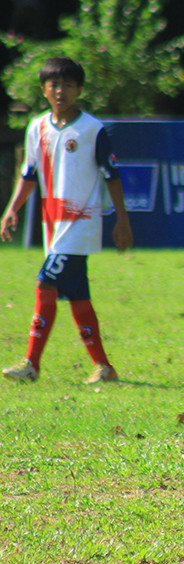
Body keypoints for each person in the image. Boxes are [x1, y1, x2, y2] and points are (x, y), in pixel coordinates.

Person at [1, 57, 133, 384]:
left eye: (68, 85)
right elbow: (29, 175)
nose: (61, 91)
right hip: (53, 227)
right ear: (44, 89)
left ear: (79, 90)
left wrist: (122, 220)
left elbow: (111, 176)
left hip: (81, 225)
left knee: (45, 284)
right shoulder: (37, 128)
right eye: (54, 85)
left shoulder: (92, 129)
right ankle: (104, 368)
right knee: (78, 296)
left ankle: (31, 363)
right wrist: (12, 209)